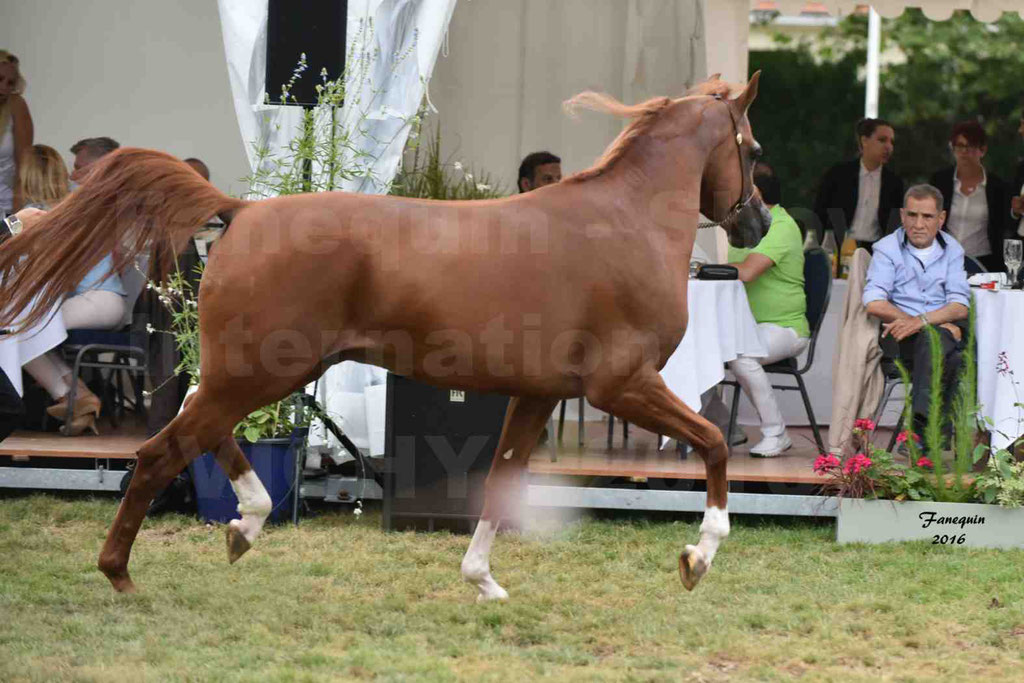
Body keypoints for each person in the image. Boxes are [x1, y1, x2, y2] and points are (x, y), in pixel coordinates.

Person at [9, 149, 127, 434]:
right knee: (18, 330)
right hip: (106, 301)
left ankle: (71, 395)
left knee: (12, 330)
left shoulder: (42, 215)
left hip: (94, 300)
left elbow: (42, 273)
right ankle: (78, 398)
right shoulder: (79, 201)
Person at [862, 184, 970, 440]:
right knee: (944, 343)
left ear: (941, 219)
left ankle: (921, 432)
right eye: (912, 215)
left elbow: (960, 305)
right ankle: (927, 436)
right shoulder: (887, 249)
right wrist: (921, 324)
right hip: (899, 341)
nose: (918, 224)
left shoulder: (952, 249)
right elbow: (874, 302)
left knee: (945, 348)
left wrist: (922, 322)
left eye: (927, 216)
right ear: (902, 216)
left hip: (931, 339)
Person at [726, 162, 809, 456]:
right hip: (746, 325)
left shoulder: (781, 225)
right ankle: (722, 424)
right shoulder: (745, 226)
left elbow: (746, 272)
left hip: (784, 327)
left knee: (742, 354)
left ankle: (777, 433)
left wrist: (702, 268)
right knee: (697, 346)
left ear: (755, 193)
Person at [929, 120, 1010, 273]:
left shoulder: (997, 187)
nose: (964, 152)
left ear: (982, 150)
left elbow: (1003, 226)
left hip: (984, 264)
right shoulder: (940, 181)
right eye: (959, 146)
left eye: (970, 146)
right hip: (943, 260)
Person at [813, 118, 904, 251]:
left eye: (892, 142)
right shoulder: (838, 174)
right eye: (882, 140)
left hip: (875, 250)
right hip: (838, 247)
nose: (888, 147)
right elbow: (819, 211)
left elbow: (895, 224)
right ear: (864, 141)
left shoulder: (894, 183)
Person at [0, 50, 33, 215]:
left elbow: (24, 168)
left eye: (10, 83)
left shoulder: (16, 105)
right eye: (0, 79)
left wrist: (15, 222)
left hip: (6, 207)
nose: (4, 87)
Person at [1010, 112, 1024, 238]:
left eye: (1023, 124)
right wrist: (1015, 210)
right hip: (1019, 242)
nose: (1020, 130)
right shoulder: (1021, 167)